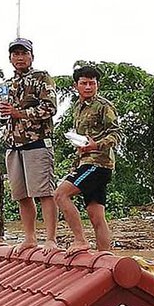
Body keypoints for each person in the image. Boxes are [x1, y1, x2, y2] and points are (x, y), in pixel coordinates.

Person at [0, 38, 59, 255]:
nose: (20, 57)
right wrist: (2, 110)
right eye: (15, 54)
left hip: (37, 142)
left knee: (44, 192)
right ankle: (30, 238)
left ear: (32, 56)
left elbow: (50, 108)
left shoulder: (42, 78)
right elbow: (1, 118)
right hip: (13, 144)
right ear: (10, 58)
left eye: (24, 53)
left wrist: (20, 113)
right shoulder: (5, 84)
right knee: (21, 195)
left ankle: (50, 239)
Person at [53, 66, 121, 255]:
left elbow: (116, 134)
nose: (89, 86)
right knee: (96, 215)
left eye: (92, 83)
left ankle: (80, 240)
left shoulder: (104, 106)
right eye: (84, 83)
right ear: (76, 86)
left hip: (98, 163)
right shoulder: (78, 107)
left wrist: (96, 145)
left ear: (97, 85)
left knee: (60, 195)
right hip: (86, 162)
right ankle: (104, 257)